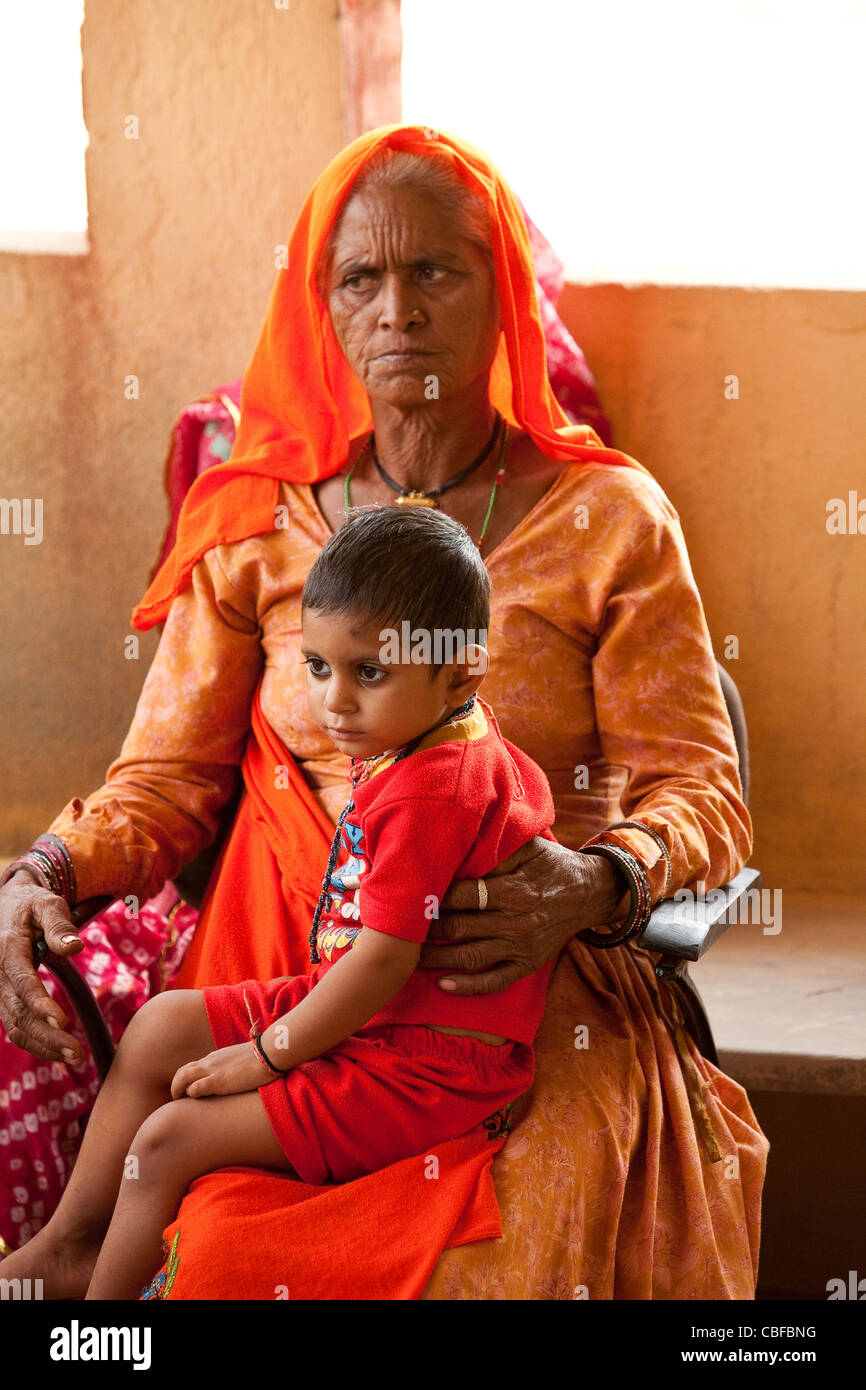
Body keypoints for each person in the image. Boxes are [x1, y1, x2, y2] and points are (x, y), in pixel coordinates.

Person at [0, 123, 767, 1300]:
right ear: (324, 308)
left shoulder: (609, 519)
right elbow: (165, 780)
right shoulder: (255, 520)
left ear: (501, 293)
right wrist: (45, 864)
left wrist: (596, 880)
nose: (396, 308)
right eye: (361, 277)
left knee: (524, 1231)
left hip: (508, 978)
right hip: (292, 956)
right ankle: (67, 1269)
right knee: (221, 1245)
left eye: (435, 272)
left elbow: (699, 792)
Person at [0, 505, 562, 1299]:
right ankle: (69, 1245)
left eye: (369, 673)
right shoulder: (428, 734)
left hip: (423, 1062)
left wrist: (266, 1057)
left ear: (462, 672)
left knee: (168, 1140)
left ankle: (100, 1326)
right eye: (319, 666)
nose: (333, 702)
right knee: (163, 1023)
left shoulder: (435, 791)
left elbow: (381, 962)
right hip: (371, 1012)